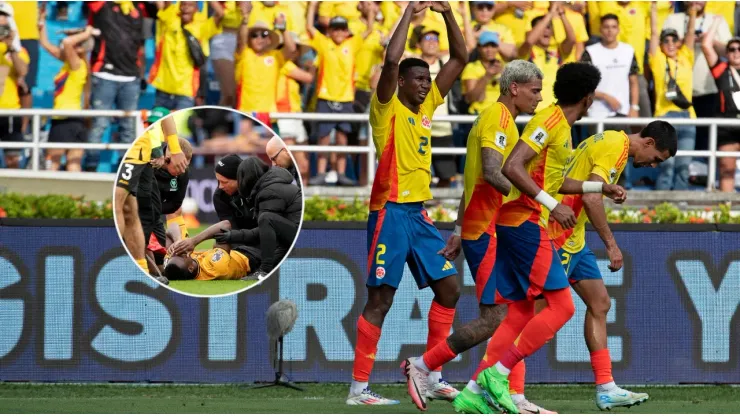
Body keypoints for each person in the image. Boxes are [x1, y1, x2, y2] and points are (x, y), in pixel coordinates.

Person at [473, 63, 625, 414]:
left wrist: (598, 186)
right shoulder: (551, 122)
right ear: (588, 99)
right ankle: (495, 375)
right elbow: (512, 167)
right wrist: (552, 205)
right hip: (524, 219)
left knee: (523, 310)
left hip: (524, 219)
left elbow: (553, 179)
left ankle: (484, 386)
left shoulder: (562, 128)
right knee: (561, 306)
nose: (539, 97)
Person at [406, 60, 546, 415]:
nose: (539, 98)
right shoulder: (498, 118)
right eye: (534, 90)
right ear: (514, 88)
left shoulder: (499, 119)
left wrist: (456, 229)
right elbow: (490, 170)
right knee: (495, 318)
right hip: (486, 232)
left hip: (482, 228)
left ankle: (510, 394)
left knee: (512, 312)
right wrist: (535, 199)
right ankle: (423, 366)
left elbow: (472, 182)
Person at [350, 1, 467, 408]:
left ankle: (431, 374)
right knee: (381, 300)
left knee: (450, 290)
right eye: (417, 79)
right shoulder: (386, 109)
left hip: (418, 214)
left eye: (427, 79)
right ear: (399, 82)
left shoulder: (428, 107)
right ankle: (358, 389)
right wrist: (409, 14)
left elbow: (461, 58)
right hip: (389, 212)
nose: (424, 84)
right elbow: (391, 58)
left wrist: (448, 13)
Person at [535, 122, 677, 411]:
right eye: (656, 159)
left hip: (573, 238)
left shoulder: (613, 143)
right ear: (648, 142)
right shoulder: (616, 146)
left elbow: (587, 187)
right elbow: (590, 197)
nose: (652, 166)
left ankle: (606, 387)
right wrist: (611, 245)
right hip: (556, 236)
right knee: (531, 316)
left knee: (600, 303)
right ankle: (497, 375)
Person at [305, 3, 376, 186]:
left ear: (347, 32)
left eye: (341, 29)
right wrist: (313, 5)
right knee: (324, 137)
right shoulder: (324, 43)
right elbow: (309, 27)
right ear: (329, 31)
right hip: (325, 97)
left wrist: (370, 13)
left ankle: (342, 173)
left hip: (346, 98)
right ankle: (321, 172)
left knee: (343, 136)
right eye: (334, 29)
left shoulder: (352, 44)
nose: (338, 32)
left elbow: (369, 29)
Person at [115, 115, 187, 282]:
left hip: (140, 151)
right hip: (141, 150)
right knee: (125, 207)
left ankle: (140, 271)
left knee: (128, 209)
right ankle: (139, 269)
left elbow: (165, 116)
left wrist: (175, 149)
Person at [86, 1, 145, 169]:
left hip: (131, 78)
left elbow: (140, 44)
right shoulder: (101, 4)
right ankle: (90, 169)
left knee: (129, 129)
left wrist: (141, 74)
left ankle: (124, 172)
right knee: (99, 125)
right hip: (104, 74)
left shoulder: (138, 7)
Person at [223, 157, 302, 281]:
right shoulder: (271, 186)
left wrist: (264, 269)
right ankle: (264, 270)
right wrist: (231, 236)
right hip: (294, 236)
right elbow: (271, 232)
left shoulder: (269, 191)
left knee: (265, 218)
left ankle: (264, 271)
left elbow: (264, 227)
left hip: (297, 236)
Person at [649, 3, 697, 191]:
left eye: (674, 40)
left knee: (683, 166)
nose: (670, 44)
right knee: (666, 166)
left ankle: (681, 212)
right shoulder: (658, 60)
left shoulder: (686, 57)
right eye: (665, 40)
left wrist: (692, 12)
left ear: (679, 43)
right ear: (661, 45)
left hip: (687, 116)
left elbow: (691, 33)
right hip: (665, 115)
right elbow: (653, 33)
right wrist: (653, 9)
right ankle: (661, 209)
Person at [38, 13, 94, 172]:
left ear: (82, 47)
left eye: (77, 41)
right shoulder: (72, 64)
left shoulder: (78, 65)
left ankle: (48, 196)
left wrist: (87, 32)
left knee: (53, 164)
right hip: (74, 119)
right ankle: (79, 197)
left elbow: (67, 43)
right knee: (73, 165)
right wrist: (41, 24)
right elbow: (45, 44)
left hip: (65, 118)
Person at [149, 1, 224, 110]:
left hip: (185, 93)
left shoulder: (201, 28)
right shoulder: (169, 20)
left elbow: (220, 14)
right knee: (159, 126)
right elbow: (163, 3)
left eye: (190, 5)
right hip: (163, 89)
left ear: (196, 9)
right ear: (178, 7)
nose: (186, 8)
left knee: (180, 126)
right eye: (183, 4)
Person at [580, 14, 640, 130]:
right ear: (600, 29)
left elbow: (634, 82)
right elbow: (583, 86)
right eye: (606, 27)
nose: (610, 31)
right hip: (597, 115)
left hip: (622, 114)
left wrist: (634, 107)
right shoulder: (590, 52)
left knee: (624, 148)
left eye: (613, 27)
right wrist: (605, 97)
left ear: (618, 29)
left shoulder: (628, 51)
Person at [235, 2, 297, 113]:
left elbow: (291, 49)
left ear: (269, 40)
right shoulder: (245, 54)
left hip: (269, 113)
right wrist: (245, 19)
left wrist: (283, 29)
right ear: (249, 39)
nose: (259, 38)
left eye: (264, 34)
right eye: (254, 35)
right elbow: (241, 41)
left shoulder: (275, 56)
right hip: (246, 112)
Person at [702, 16, 740, 192]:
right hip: (727, 124)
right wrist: (716, 22)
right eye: (732, 49)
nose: (736, 52)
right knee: (727, 168)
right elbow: (706, 46)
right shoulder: (722, 70)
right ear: (727, 53)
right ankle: (727, 210)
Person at [519, 3, 576, 111]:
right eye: (542, 28)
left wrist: (562, 13)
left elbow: (572, 39)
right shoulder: (527, 51)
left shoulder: (558, 51)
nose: (546, 31)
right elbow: (529, 40)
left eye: (549, 28)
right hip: (531, 112)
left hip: (554, 111)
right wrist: (550, 13)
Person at [166, 220, 262, 282]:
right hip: (250, 257)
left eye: (175, 254)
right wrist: (194, 241)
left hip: (235, 251)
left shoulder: (174, 262)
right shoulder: (213, 267)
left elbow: (172, 227)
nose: (178, 252)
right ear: (190, 268)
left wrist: (177, 240)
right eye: (182, 255)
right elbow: (225, 226)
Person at [0, 6, 28, 169]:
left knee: (12, 159)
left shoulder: (17, 51)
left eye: (3, 27)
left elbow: (22, 71)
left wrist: (11, 46)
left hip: (9, 110)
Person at [212, 154, 260, 235]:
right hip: (239, 236)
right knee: (221, 244)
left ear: (239, 179)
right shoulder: (220, 196)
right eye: (218, 181)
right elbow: (231, 230)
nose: (220, 186)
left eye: (224, 182)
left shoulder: (259, 190)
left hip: (263, 235)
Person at [462, 31, 503, 115]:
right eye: (485, 46)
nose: (489, 50)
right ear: (479, 48)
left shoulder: (503, 67)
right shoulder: (471, 67)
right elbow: (471, 98)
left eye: (493, 46)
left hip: (502, 113)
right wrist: (486, 77)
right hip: (480, 113)